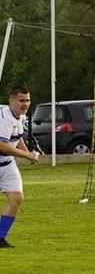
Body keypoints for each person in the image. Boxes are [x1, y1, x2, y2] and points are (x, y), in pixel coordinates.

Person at [0, 86, 40, 248]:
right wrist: (27, 156)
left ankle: (0, 238)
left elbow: (17, 137)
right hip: (4, 157)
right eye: (21, 100)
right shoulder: (4, 118)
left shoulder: (20, 116)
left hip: (7, 163)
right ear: (11, 101)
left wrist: (27, 152)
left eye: (28, 100)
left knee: (16, 199)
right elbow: (2, 145)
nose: (26, 104)